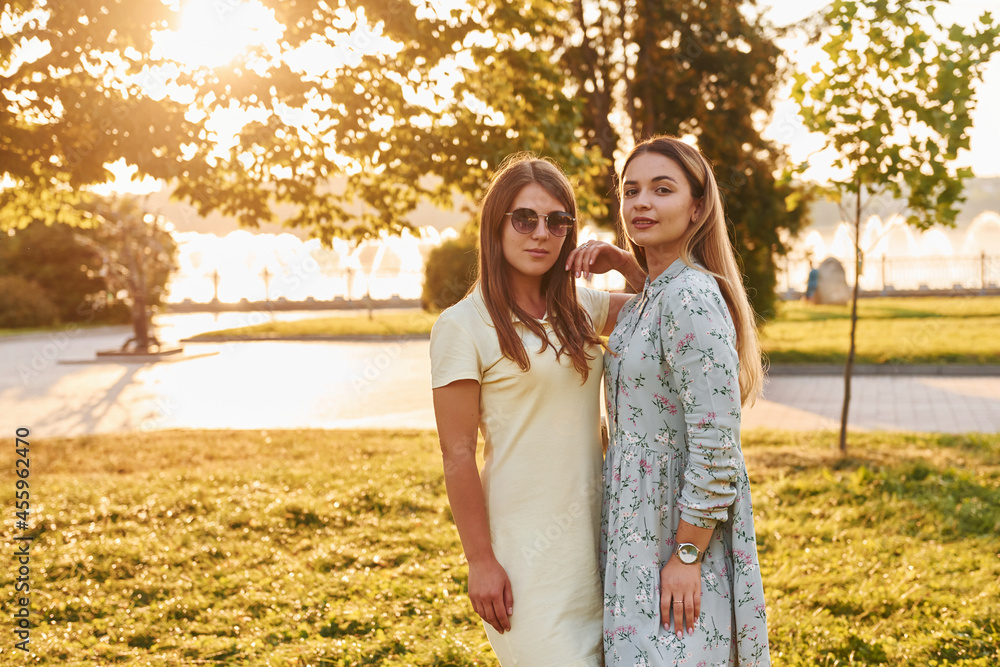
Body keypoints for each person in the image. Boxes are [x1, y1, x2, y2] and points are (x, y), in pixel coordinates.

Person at [429, 154, 644, 665]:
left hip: (600, 545)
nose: (540, 233)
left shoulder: (582, 308)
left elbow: (679, 306)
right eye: (524, 218)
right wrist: (480, 561)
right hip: (523, 558)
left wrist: (622, 260)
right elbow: (457, 455)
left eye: (557, 221)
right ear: (496, 226)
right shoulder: (463, 326)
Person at [574, 135, 770, 665]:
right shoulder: (659, 292)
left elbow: (715, 447)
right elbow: (654, 318)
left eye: (662, 190)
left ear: (698, 207)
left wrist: (687, 556)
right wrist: (625, 263)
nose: (642, 203)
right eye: (631, 190)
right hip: (639, 524)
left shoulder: (691, 296)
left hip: (677, 530)